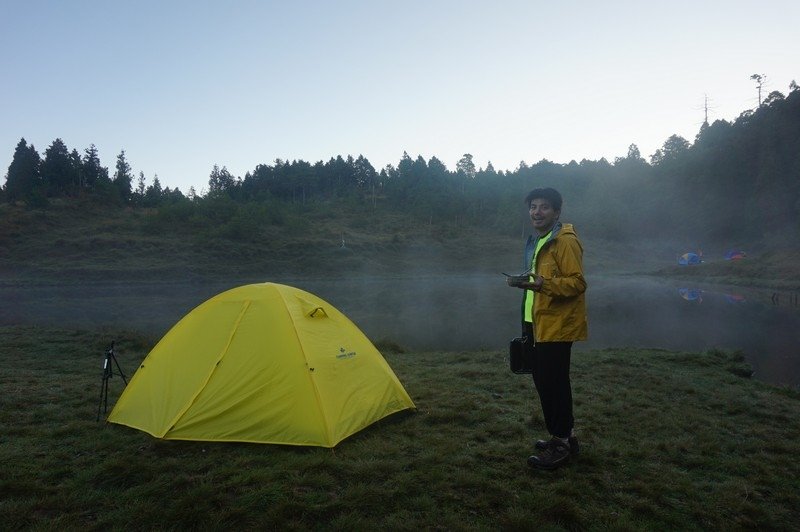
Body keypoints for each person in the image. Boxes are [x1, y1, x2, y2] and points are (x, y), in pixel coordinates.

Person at [507, 187, 587, 470]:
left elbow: (577, 283)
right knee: (543, 381)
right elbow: (538, 280)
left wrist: (543, 284)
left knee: (554, 384)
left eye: (543, 207)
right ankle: (564, 436)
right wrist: (525, 282)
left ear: (556, 212)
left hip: (556, 325)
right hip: (536, 322)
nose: (536, 212)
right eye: (533, 207)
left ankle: (561, 443)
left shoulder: (565, 242)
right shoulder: (541, 240)